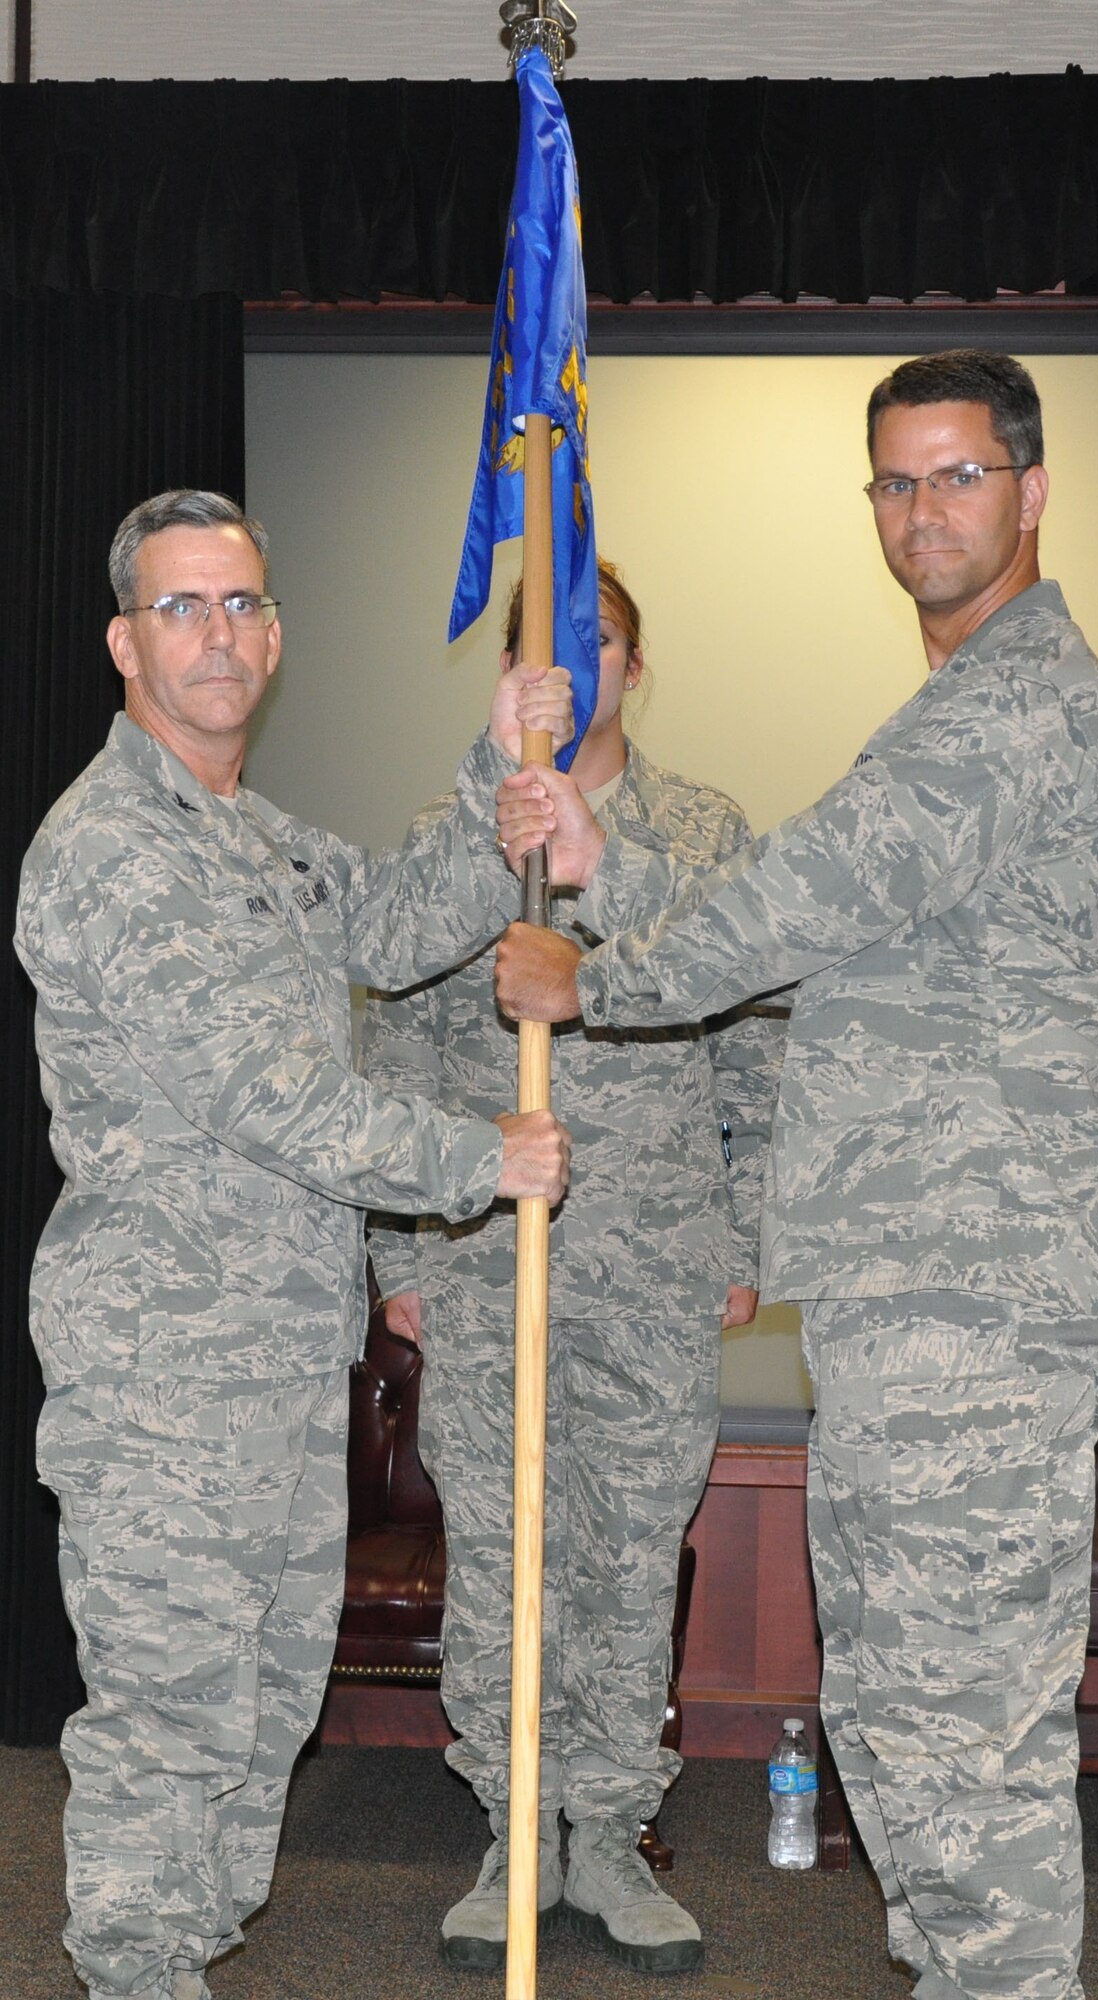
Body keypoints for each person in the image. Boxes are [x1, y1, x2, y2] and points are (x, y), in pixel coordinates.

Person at [493, 352, 1098, 2000]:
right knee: (902, 1702)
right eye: (895, 481)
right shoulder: (955, 704)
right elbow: (841, 932)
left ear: (1030, 490)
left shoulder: (1019, 701)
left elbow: (799, 901)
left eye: (958, 475)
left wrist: (593, 975)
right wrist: (605, 869)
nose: (924, 511)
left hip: (973, 1291)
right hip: (918, 1291)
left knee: (955, 1713)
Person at [13, 489, 572, 2000]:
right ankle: (141, 1974)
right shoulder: (114, 847)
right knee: (171, 1724)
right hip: (165, 1379)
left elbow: (389, 925)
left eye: (242, 604)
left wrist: (497, 771)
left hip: (276, 1370)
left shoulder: (256, 840)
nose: (218, 634)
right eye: (182, 607)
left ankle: (182, 1961)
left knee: (260, 1718)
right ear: (125, 644)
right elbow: (271, 1099)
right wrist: (483, 1161)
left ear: (275, 635)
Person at [362, 558, 783, 1975]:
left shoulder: (702, 834)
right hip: (487, 1259)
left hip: (655, 1264)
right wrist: (396, 1247)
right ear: (506, 677)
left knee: (627, 1551)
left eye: (595, 639)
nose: (569, 665)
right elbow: (395, 1054)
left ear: (633, 667)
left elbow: (757, 1051)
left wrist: (743, 1240)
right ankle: (514, 1829)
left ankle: (606, 1831)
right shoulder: (449, 843)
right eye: (542, 643)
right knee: (501, 1554)